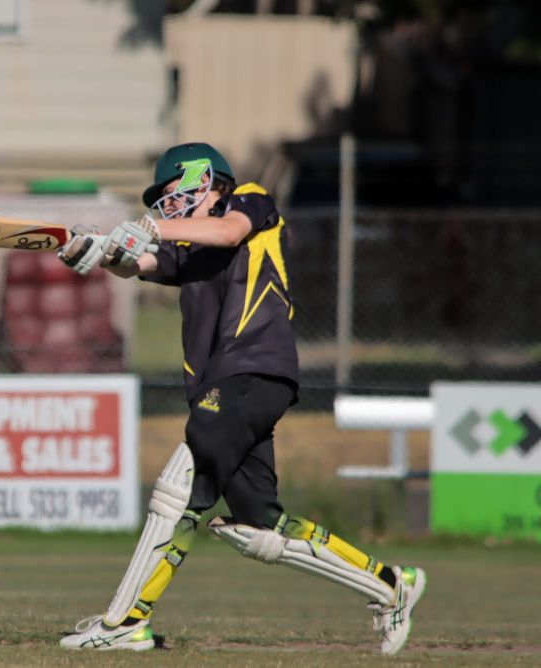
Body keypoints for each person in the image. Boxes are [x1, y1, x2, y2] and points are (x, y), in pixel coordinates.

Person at [55, 142, 426, 655]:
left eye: (171, 193)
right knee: (259, 527)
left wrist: (151, 229)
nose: (165, 206)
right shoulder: (188, 247)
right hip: (230, 385)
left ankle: (125, 621)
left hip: (252, 368)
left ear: (203, 179)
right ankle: (391, 586)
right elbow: (138, 262)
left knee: (178, 489)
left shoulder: (249, 201)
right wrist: (94, 252)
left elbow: (225, 232)